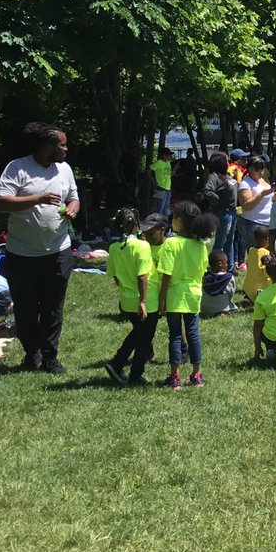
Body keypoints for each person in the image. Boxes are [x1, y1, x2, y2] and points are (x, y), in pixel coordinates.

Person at [0, 122, 80, 374]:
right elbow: (1, 203)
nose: (66, 149)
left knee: (54, 307)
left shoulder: (64, 170)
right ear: (47, 146)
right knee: (26, 307)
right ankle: (32, 353)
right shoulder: (17, 168)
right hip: (22, 253)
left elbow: (74, 196)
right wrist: (38, 199)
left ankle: (51, 357)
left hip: (58, 250)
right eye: (62, 144)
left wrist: (73, 207)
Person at [158, 200, 209, 389]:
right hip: (194, 293)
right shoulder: (200, 245)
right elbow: (202, 271)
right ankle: (197, 375)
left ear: (180, 221)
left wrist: (161, 299)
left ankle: (175, 376)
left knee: (175, 336)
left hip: (175, 294)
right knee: (193, 333)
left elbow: (166, 275)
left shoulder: (171, 243)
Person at [104, 208, 158, 387]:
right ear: (136, 225)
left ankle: (124, 368)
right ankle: (126, 368)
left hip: (126, 300)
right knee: (143, 337)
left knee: (138, 334)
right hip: (145, 300)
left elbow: (115, 275)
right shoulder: (142, 246)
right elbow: (142, 275)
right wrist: (142, 301)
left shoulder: (114, 247)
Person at [202, 152, 239, 273]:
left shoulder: (227, 175)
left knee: (230, 240)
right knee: (221, 241)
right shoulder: (214, 176)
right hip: (223, 213)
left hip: (233, 212)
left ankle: (230, 266)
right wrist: (217, 200)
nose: (228, 162)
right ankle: (214, 266)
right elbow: (208, 191)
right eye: (226, 160)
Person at [147, 148, 174, 216]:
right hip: (161, 187)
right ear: (164, 156)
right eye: (169, 155)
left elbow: (169, 175)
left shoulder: (168, 163)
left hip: (168, 189)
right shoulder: (158, 163)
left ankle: (166, 224)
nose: (170, 157)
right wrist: (153, 181)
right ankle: (159, 223)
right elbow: (148, 171)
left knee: (166, 208)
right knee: (160, 208)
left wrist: (175, 170)